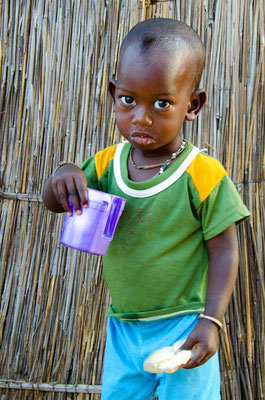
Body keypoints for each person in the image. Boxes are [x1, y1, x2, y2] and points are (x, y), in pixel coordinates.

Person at [42, 18, 250, 400]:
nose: (140, 116)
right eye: (128, 99)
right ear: (112, 94)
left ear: (193, 105)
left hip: (184, 326)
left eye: (161, 103)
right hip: (123, 326)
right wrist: (62, 175)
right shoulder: (106, 165)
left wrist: (211, 321)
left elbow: (224, 250)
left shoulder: (202, 174)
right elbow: (55, 202)